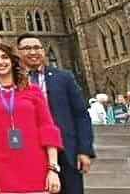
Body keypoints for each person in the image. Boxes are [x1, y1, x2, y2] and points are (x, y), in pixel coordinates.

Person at [0, 43, 63, 194]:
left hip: (35, 164)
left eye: (4, 57)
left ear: (13, 61)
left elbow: (47, 128)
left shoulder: (33, 90)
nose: (0, 62)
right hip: (1, 168)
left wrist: (53, 169)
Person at [17, 33, 94, 194]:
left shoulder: (64, 78)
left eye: (37, 48)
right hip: (31, 150)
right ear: (18, 52)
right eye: (27, 48)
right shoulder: (13, 82)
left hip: (66, 151)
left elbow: (81, 114)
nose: (33, 52)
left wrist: (85, 150)